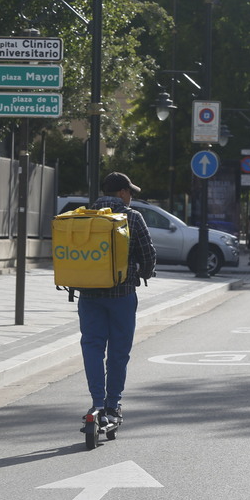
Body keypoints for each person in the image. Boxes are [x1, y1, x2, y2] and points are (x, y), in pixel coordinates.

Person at [77, 172, 156, 425]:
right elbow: (148, 253)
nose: (131, 197)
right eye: (130, 192)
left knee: (92, 347)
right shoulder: (132, 217)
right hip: (122, 295)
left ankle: (97, 403)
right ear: (122, 193)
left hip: (88, 295)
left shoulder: (84, 218)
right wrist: (144, 273)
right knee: (118, 352)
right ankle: (113, 405)